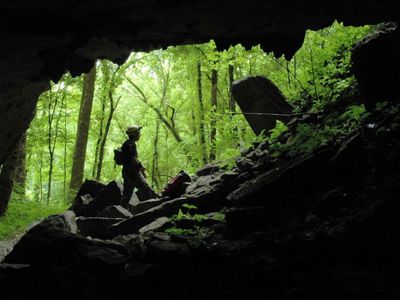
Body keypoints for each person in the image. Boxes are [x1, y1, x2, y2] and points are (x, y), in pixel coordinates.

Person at [121, 125, 158, 207]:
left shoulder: (127, 144)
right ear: (134, 134)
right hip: (133, 173)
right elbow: (133, 160)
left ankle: (120, 214)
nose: (139, 135)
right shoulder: (130, 144)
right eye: (138, 133)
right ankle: (155, 208)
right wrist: (142, 168)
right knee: (147, 190)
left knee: (126, 196)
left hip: (126, 173)